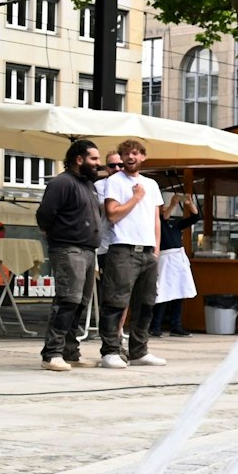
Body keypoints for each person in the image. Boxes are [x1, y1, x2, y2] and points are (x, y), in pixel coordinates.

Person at [95, 139, 166, 368]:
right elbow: (112, 214)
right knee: (116, 301)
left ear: (143, 156)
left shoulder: (151, 184)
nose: (131, 157)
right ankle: (110, 350)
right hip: (123, 248)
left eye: (135, 153)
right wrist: (135, 198)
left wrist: (156, 250)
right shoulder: (114, 181)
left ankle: (139, 350)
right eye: (126, 154)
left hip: (147, 251)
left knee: (146, 303)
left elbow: (156, 220)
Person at [34, 139, 103, 371]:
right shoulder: (62, 183)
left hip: (87, 250)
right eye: (94, 159)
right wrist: (57, 235)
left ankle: (70, 352)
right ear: (79, 159)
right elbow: (44, 215)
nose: (98, 163)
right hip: (68, 249)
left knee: (80, 303)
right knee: (67, 300)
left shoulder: (88, 185)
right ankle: (51, 353)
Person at [150, 193, 205, 337]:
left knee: (179, 292)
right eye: (162, 206)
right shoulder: (156, 222)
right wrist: (174, 204)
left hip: (177, 258)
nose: (165, 208)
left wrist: (190, 203)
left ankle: (176, 326)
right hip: (165, 259)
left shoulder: (174, 223)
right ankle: (155, 326)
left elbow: (195, 217)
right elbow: (163, 218)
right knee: (163, 293)